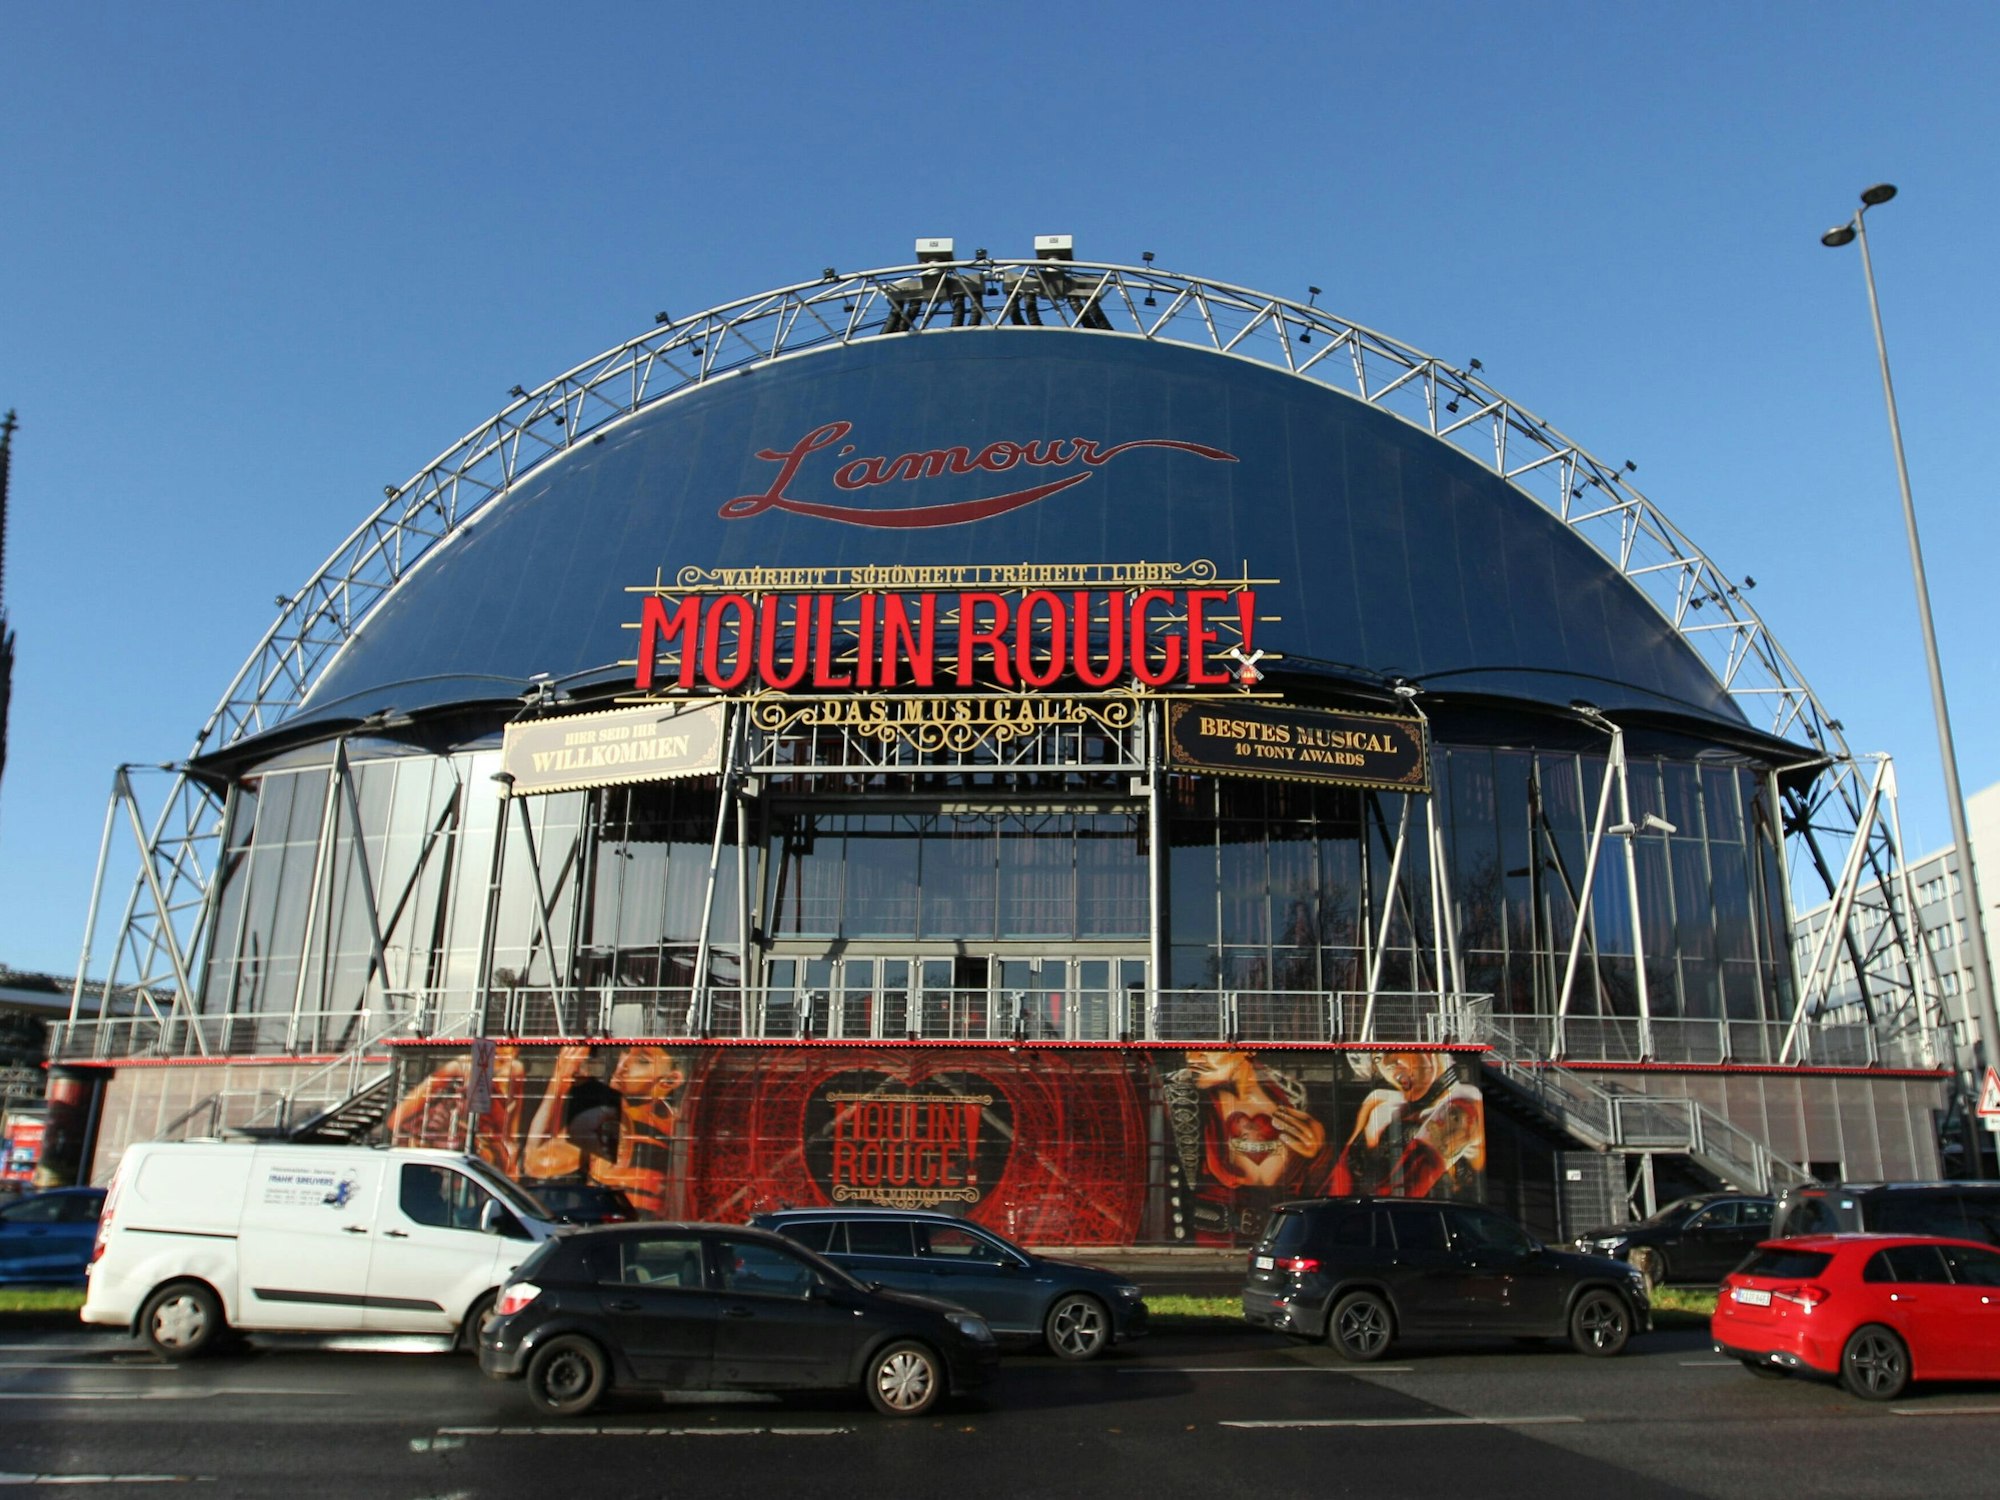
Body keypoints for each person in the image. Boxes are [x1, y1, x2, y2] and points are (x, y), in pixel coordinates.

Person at [1165, 1050, 1332, 1243]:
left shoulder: (1294, 1104)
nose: (1191, 1057)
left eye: (1208, 1045)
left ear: (1247, 1047)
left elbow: (1323, 1189)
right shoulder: (1183, 1105)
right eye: (1188, 1049)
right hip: (1210, 1239)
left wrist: (1320, 1155)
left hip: (1284, 1238)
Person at [524, 1044, 685, 1216]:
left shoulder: (613, 1118)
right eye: (626, 1052)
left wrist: (559, 1080)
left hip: (609, 1224)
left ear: (670, 1080)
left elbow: (535, 1163)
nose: (622, 1064)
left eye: (642, 1061)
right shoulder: (674, 1120)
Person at [1328, 1050, 1485, 1198]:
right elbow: (1339, 1182)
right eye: (1377, 1060)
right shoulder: (1379, 1103)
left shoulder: (1465, 1103)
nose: (1387, 1065)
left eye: (1390, 1050)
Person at [386, 1044, 526, 1175]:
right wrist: (451, 1071)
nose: (456, 1098)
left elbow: (503, 1134)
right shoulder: (426, 1123)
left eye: (463, 1094)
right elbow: (395, 1121)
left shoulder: (483, 1142)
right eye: (452, 1090)